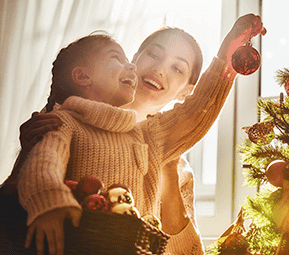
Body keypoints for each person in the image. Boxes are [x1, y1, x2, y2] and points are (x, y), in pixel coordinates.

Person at [14, 13, 264, 255]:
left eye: (177, 68)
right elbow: (31, 185)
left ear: (187, 92)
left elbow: (197, 112)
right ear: (133, 61)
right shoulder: (60, 120)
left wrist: (228, 54)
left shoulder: (162, 147)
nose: (159, 69)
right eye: (154, 54)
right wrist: (30, 167)